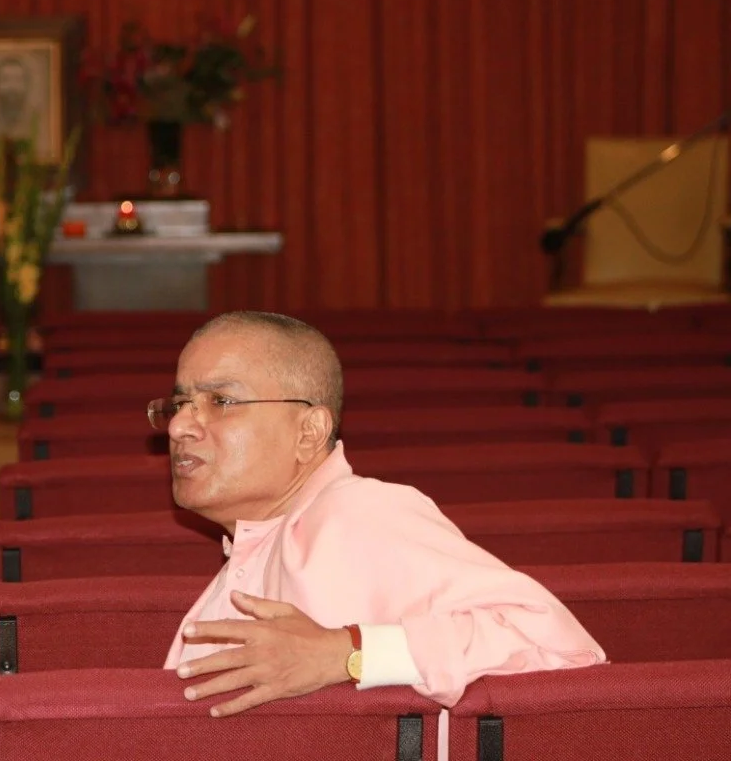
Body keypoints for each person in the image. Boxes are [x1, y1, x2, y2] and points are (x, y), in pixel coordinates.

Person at [154, 311, 605, 727]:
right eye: (180, 405)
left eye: (221, 401)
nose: (179, 427)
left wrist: (347, 652)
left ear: (308, 432)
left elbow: (559, 645)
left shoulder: (360, 513)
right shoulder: (259, 544)